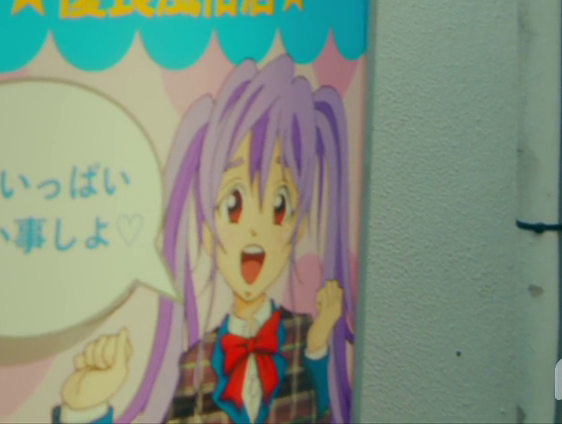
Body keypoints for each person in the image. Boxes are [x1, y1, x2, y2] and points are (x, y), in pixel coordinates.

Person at [53, 57, 355, 424]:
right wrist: (85, 409)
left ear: (297, 225)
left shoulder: (305, 338)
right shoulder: (192, 365)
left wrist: (319, 347)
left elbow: (324, 410)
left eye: (278, 205)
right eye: (233, 205)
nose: (254, 231)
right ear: (208, 233)